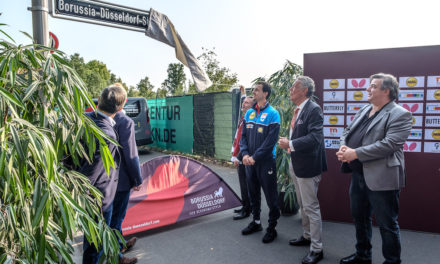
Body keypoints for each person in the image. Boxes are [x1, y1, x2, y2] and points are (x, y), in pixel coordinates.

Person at [336, 73, 412, 264]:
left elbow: (390, 144)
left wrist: (355, 153)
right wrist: (344, 147)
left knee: (387, 224)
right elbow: (346, 131)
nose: (368, 89)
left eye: (373, 86)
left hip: (382, 178)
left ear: (386, 91)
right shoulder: (364, 109)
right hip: (358, 175)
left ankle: (392, 261)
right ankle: (363, 255)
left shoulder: (400, 114)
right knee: (360, 218)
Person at [278, 76, 327, 264]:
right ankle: (307, 236)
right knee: (302, 205)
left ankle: (317, 248)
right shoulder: (298, 109)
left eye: (294, 86)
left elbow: (315, 138)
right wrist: (290, 143)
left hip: (308, 166)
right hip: (296, 163)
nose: (290, 89)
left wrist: (290, 143)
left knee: (311, 207)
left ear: (305, 90)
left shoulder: (313, 109)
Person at [81, 85, 127, 264]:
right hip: (98, 200)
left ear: (98, 101)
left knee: (92, 243)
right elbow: (90, 174)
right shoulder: (106, 134)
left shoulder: (85, 120)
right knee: (95, 246)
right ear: (121, 108)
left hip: (91, 198)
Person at [239, 81, 281, 243]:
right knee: (253, 194)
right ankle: (256, 222)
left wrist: (254, 157)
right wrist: (244, 154)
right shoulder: (249, 113)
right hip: (249, 162)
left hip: (265, 163)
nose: (254, 92)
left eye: (257, 90)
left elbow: (270, 142)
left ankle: (272, 228)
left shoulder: (273, 114)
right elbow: (243, 137)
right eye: (254, 90)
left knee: (271, 197)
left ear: (266, 94)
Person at [109, 84, 143, 263]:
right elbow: (131, 155)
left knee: (114, 217)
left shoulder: (95, 118)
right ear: (123, 102)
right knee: (116, 218)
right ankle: (118, 256)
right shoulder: (125, 122)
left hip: (104, 180)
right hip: (120, 181)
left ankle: (120, 243)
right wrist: (137, 179)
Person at [231, 85, 255, 220]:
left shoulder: (249, 117)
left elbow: (242, 139)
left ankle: (247, 209)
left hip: (243, 155)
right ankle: (245, 204)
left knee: (246, 183)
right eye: (243, 102)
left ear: (251, 106)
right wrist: (243, 93)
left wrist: (237, 157)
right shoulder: (246, 114)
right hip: (240, 155)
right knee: (242, 182)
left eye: (246, 103)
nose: (243, 104)